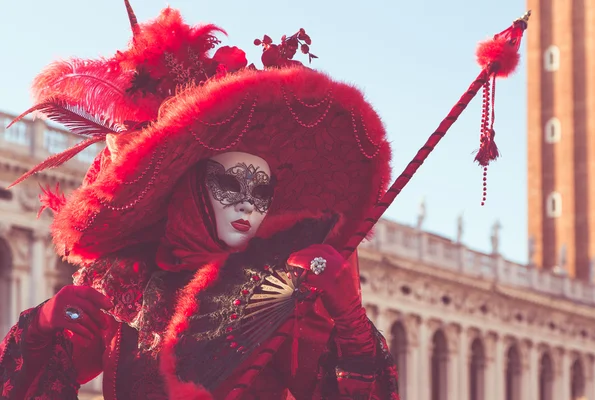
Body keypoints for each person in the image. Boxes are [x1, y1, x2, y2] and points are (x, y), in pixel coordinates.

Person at [0, 3, 398, 400]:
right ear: (189, 186)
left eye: (262, 193)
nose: (247, 206)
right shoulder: (127, 287)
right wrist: (40, 329)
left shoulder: (276, 295)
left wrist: (350, 323)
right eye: (230, 184)